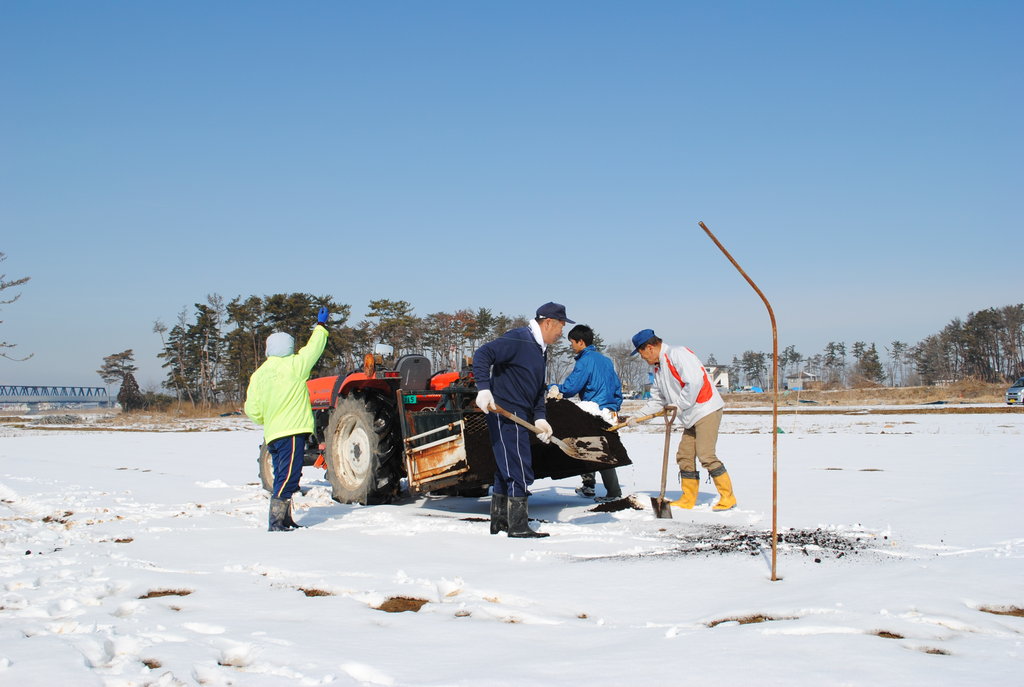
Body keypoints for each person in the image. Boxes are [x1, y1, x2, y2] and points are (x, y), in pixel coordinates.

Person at [473, 302, 574, 538]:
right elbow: (483, 354)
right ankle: (518, 525)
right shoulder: (518, 339)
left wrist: (540, 418)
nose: (562, 332)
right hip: (506, 412)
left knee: (505, 466)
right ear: (548, 322)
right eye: (560, 326)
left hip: (522, 414)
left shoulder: (540, 349)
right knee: (517, 466)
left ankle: (500, 521)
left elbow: (538, 388)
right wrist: (483, 389)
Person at [629, 328, 736, 511]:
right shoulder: (659, 368)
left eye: (642, 354)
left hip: (705, 408)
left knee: (705, 454)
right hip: (689, 415)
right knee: (684, 456)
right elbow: (658, 400)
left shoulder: (678, 354)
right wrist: (638, 418)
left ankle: (728, 497)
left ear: (649, 348)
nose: (643, 358)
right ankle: (688, 498)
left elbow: (694, 382)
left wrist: (678, 405)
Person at [244, 307, 330, 531]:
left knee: (283, 474)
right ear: (290, 348)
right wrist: (320, 327)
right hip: (292, 432)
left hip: (272, 434)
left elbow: (252, 409)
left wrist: (268, 419)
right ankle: (276, 523)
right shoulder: (295, 366)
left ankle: (286, 519)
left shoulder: (259, 374)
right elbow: (313, 349)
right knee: (289, 477)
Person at [546, 324, 624, 502]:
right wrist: (614, 407)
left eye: (572, 342)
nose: (572, 346)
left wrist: (552, 388)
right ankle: (590, 485)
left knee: (595, 448)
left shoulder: (585, 361)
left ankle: (611, 492)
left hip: (594, 410)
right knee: (598, 446)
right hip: (609, 410)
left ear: (581, 342)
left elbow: (571, 387)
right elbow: (617, 387)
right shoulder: (605, 360)